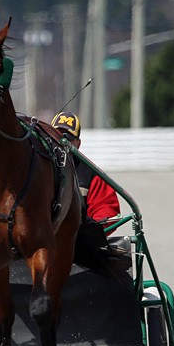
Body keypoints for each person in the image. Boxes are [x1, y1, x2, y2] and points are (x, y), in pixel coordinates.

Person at [51, 111, 126, 272]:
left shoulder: (90, 173)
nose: (62, 142)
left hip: (79, 245)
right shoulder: (37, 170)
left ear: (78, 143)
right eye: (57, 136)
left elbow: (107, 210)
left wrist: (87, 230)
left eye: (68, 138)